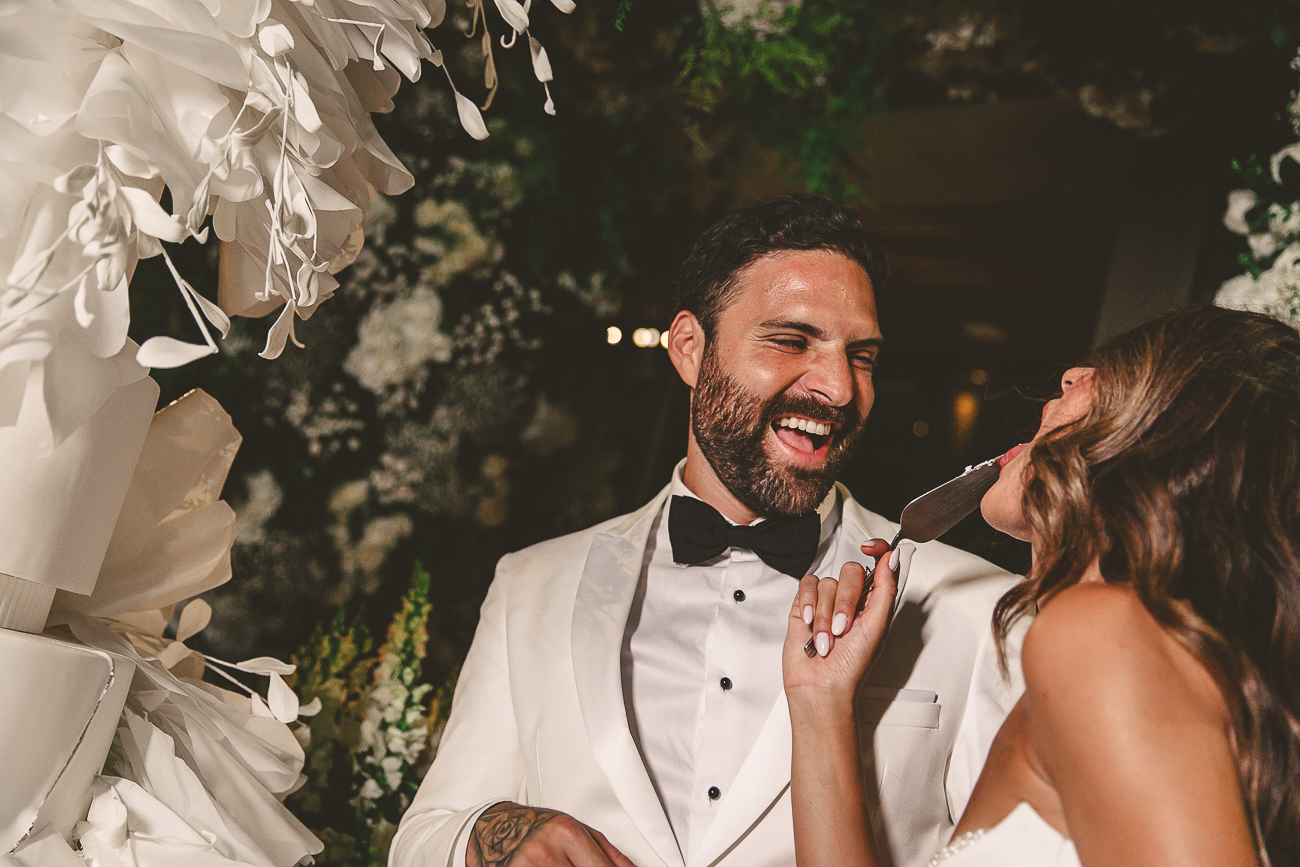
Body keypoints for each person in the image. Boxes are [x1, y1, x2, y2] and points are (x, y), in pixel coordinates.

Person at [389, 195, 1022, 867]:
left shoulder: (975, 603)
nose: (838, 387)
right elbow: (424, 837)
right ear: (690, 348)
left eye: (861, 355)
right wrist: (501, 831)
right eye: (792, 339)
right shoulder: (531, 584)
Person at [784, 305, 1300, 867]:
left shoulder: (1101, 634)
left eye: (1116, 370)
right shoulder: (1124, 646)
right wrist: (821, 703)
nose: (1071, 377)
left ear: (1173, 435)